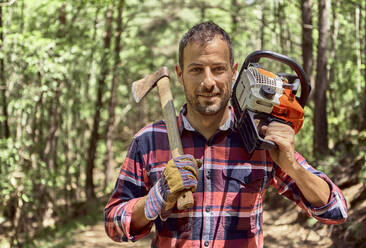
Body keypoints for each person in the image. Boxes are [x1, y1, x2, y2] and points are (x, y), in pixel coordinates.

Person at [104, 21, 347, 248]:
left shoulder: (260, 139)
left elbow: (336, 210)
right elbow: (113, 224)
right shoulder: (149, 140)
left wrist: (292, 166)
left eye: (218, 69)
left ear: (233, 72)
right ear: (180, 75)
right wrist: (156, 198)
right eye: (196, 69)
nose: (208, 82)